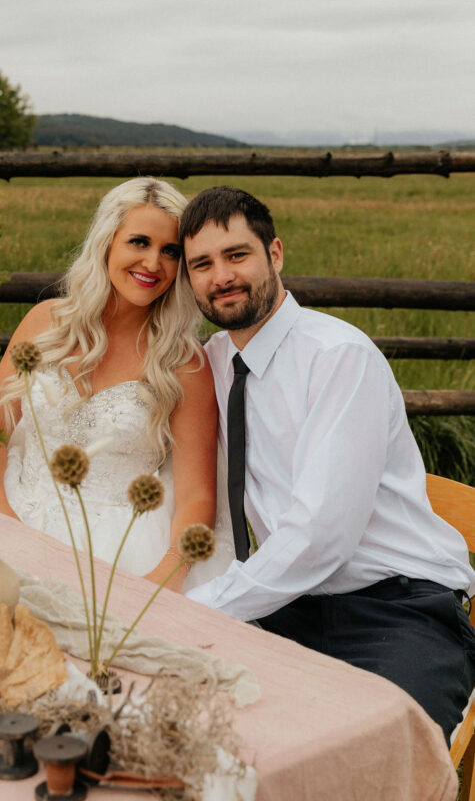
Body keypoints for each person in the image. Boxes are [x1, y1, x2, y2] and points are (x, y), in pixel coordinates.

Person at [179, 185, 475, 742]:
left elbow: (321, 535)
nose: (221, 276)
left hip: (398, 607)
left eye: (237, 255)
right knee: (205, 731)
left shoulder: (338, 356)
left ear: (276, 254)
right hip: (289, 602)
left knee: (379, 752)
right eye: (202, 264)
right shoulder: (213, 364)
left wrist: (200, 609)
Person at [0, 177, 235, 592]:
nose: (153, 263)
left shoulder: (183, 362)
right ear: (107, 242)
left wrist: (163, 578)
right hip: (11, 506)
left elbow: (196, 496)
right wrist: (1, 523)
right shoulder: (47, 322)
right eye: (138, 242)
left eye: (170, 251)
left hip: (121, 548)